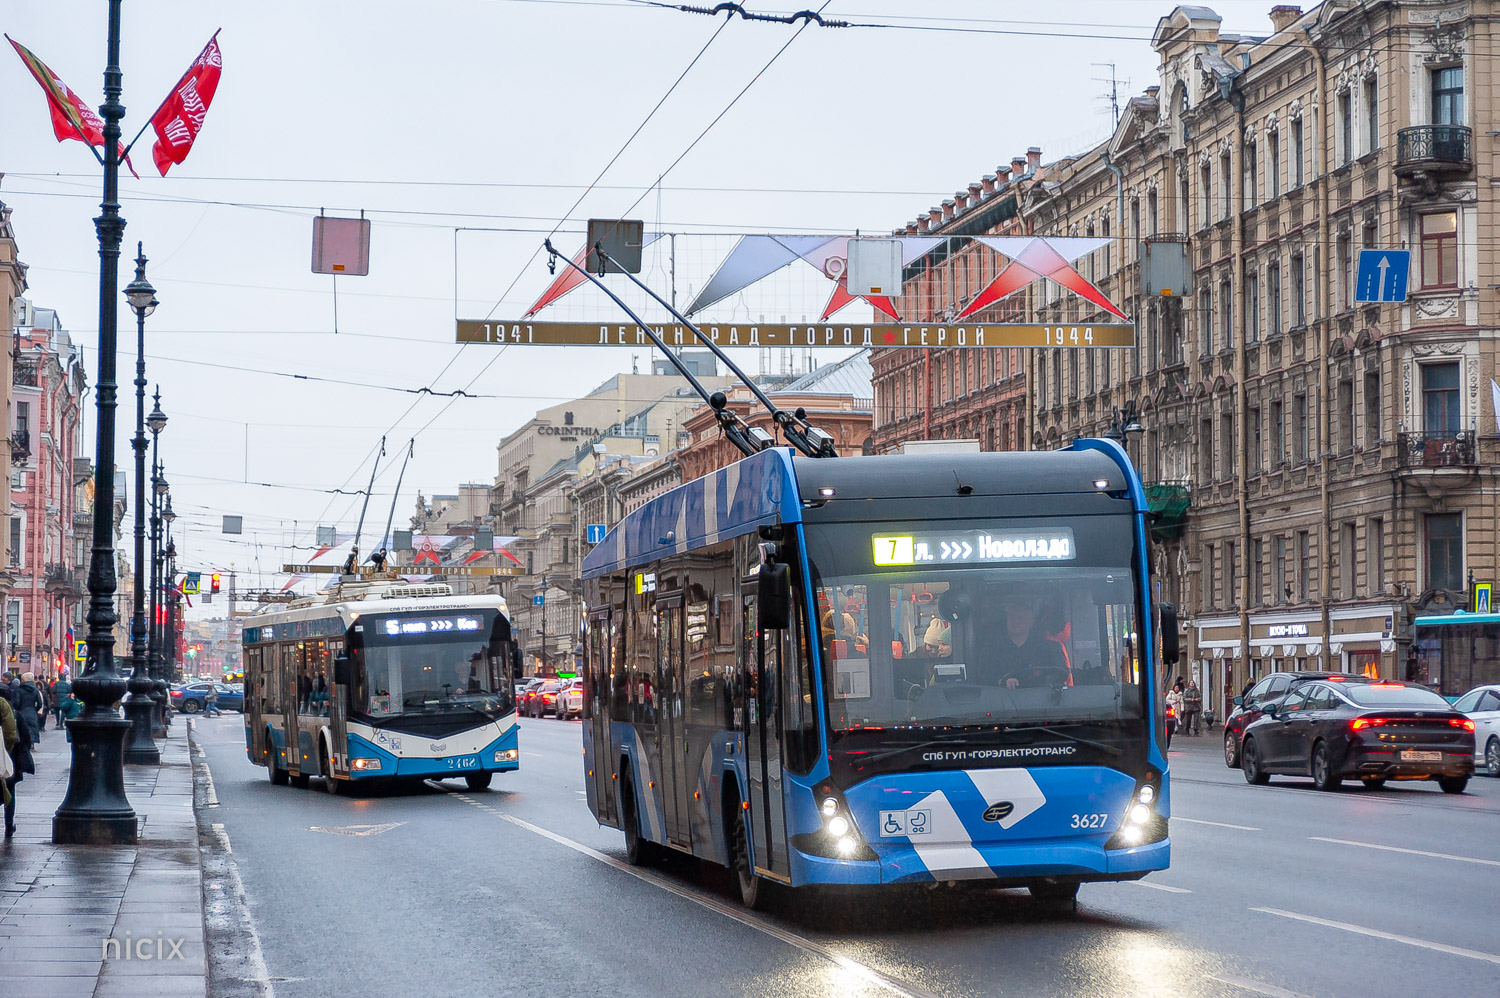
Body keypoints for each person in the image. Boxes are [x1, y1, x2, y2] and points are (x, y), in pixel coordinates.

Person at [992, 593, 1067, 688]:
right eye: (1012, 616)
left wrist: (1047, 682)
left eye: (1020, 617)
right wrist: (1002, 681)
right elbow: (984, 676)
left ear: (1031, 621)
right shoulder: (992, 650)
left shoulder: (1050, 648)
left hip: (1044, 700)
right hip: (999, 700)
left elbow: (1059, 676)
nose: (1016, 621)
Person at [2, 694, 19, 837]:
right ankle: (8, 823)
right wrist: (5, 751)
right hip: (3, 753)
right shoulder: (2, 704)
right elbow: (11, 734)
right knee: (8, 787)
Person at [14, 673, 42, 747]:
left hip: (22, 712)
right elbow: (40, 703)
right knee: (32, 727)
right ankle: (32, 742)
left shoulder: (19, 690)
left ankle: (24, 742)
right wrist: (35, 710)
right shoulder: (35, 690)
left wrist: (17, 710)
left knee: (22, 728)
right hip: (32, 711)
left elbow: (16, 703)